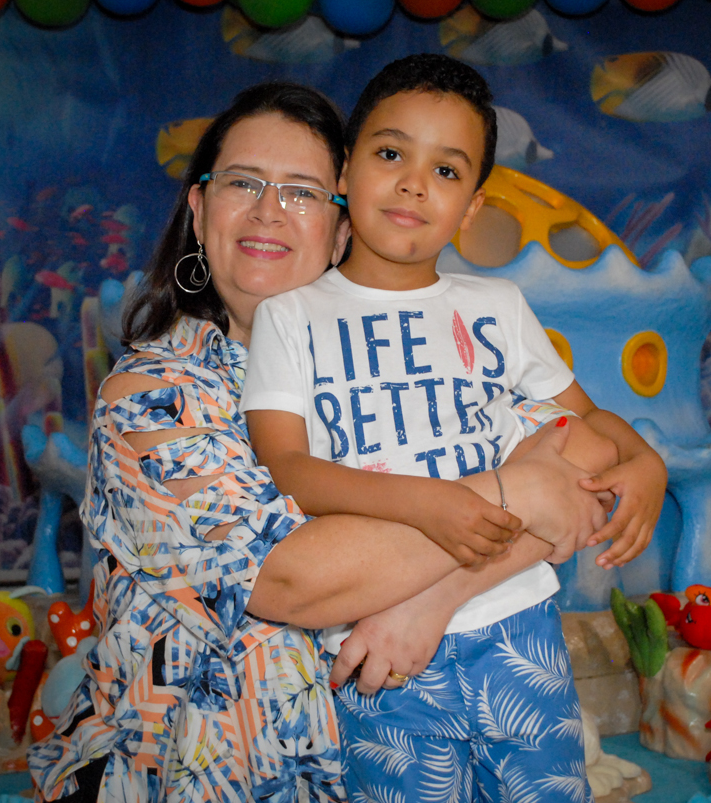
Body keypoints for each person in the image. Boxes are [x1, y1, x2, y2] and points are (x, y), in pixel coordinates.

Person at [28, 82, 609, 803]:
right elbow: (287, 579)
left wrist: (430, 602)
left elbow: (576, 471)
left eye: (302, 192)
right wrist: (514, 491)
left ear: (343, 226)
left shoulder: (406, 357)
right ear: (200, 209)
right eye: (243, 182)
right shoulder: (154, 391)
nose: (270, 209)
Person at [241, 55, 668, 800]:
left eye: (447, 170)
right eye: (390, 153)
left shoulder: (496, 306)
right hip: (375, 642)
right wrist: (426, 502)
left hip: (519, 623)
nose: (413, 182)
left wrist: (650, 464)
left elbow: (589, 420)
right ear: (344, 171)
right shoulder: (293, 315)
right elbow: (290, 467)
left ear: (472, 208)